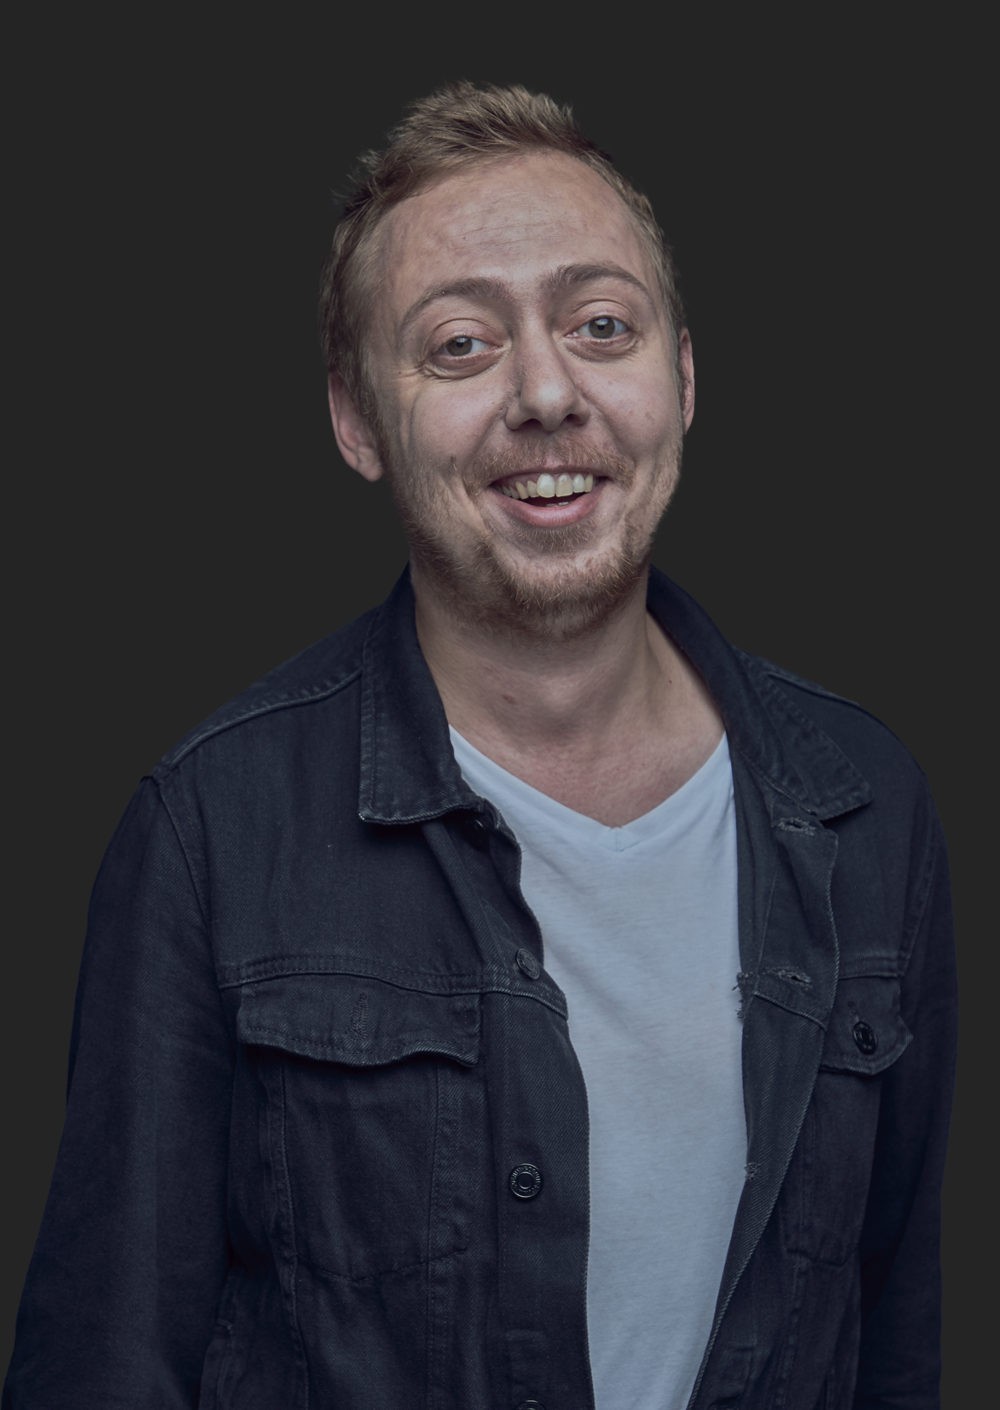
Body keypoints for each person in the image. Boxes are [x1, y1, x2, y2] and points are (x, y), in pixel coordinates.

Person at [4, 81, 957, 1409]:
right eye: (460, 344)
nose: (548, 391)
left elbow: (898, 1340)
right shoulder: (211, 832)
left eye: (602, 325)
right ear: (358, 419)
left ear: (682, 377)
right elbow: (102, 1367)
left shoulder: (868, 811)